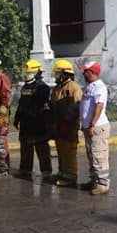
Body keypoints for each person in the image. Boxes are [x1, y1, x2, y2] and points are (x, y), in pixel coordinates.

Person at [13, 59, 52, 181]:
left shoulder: (43, 88)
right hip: (25, 123)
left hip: (37, 123)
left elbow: (41, 106)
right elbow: (21, 103)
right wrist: (17, 117)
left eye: (29, 72)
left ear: (37, 72)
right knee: (25, 148)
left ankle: (46, 172)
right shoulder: (26, 86)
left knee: (41, 149)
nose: (26, 74)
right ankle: (25, 170)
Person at [79, 61, 110, 196]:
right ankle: (94, 180)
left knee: (99, 155)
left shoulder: (99, 87)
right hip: (89, 127)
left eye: (85, 71)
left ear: (92, 72)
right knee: (91, 154)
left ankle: (102, 184)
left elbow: (99, 106)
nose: (83, 73)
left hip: (97, 127)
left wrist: (92, 124)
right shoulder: (90, 86)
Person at [50, 59, 82, 188]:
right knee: (61, 149)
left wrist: (67, 122)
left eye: (57, 74)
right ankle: (62, 173)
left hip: (70, 126)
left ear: (64, 74)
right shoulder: (57, 88)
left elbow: (77, 106)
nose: (56, 77)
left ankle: (70, 177)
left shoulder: (73, 88)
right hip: (59, 124)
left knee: (69, 151)